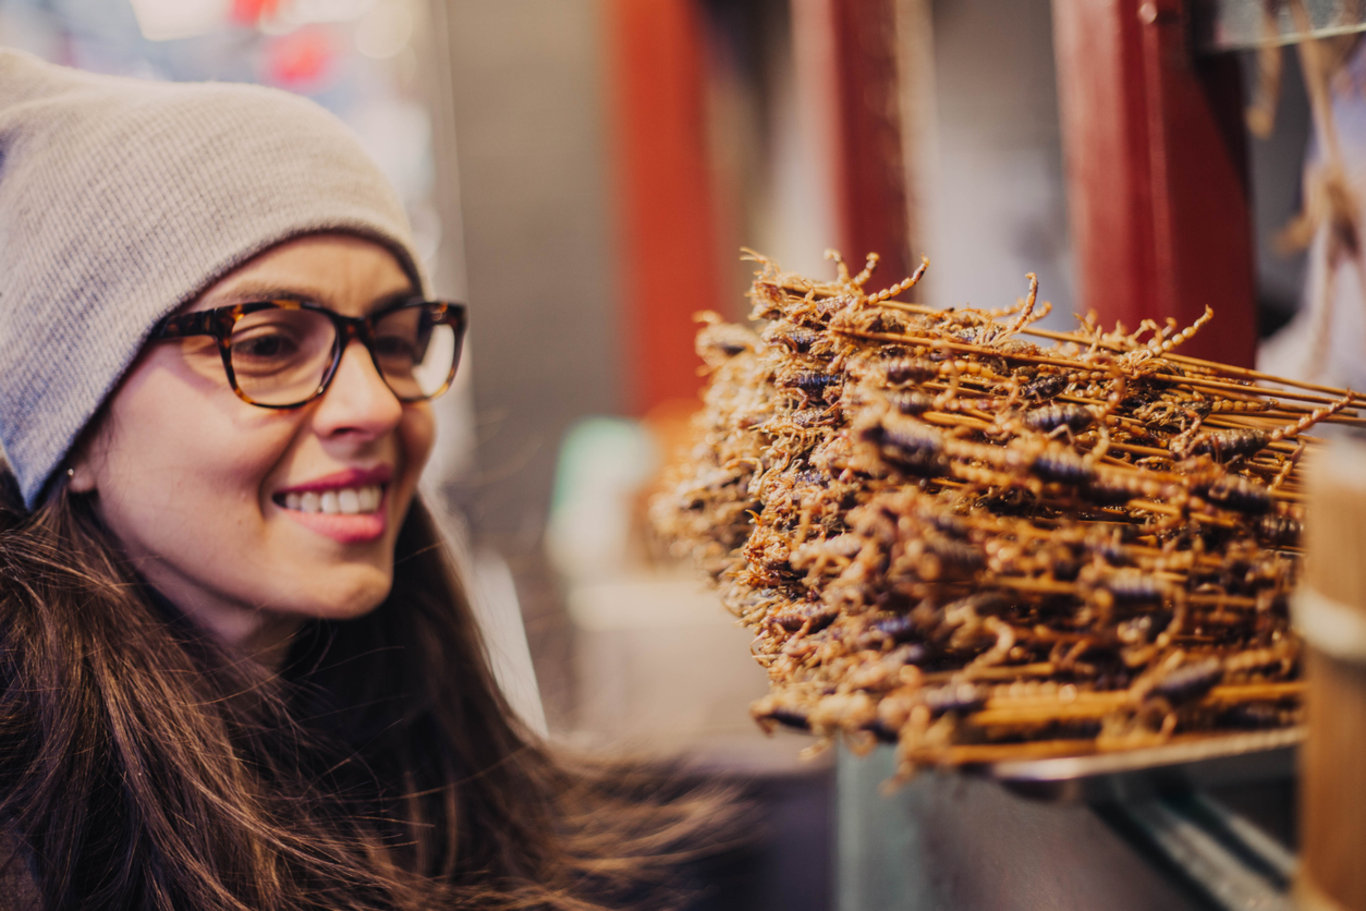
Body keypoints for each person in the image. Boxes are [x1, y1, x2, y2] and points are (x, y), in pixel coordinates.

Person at [0, 49, 727, 910]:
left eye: (392, 344)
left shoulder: (443, 788)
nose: (376, 406)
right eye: (266, 344)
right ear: (71, 419)